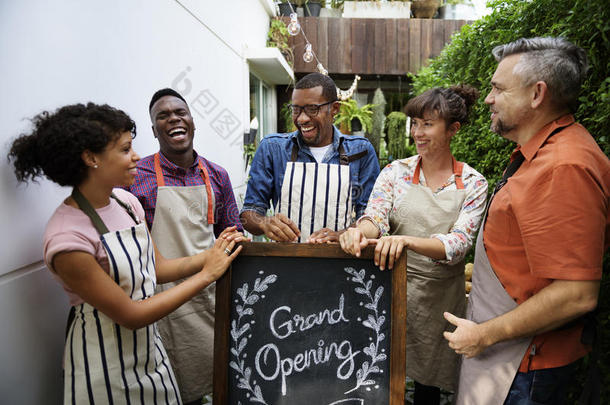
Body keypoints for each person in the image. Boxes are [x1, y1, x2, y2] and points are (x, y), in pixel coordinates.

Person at [8, 103, 244, 404]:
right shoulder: (67, 238)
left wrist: (214, 254)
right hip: (104, 365)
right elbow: (132, 315)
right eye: (124, 150)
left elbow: (158, 268)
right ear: (91, 158)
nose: (136, 157)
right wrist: (207, 274)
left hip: (152, 356)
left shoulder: (125, 202)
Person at [443, 37, 610, 405]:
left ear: (537, 94)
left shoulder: (564, 166)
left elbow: (576, 294)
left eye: (498, 89)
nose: (488, 99)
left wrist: (484, 334)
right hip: (512, 360)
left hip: (523, 370)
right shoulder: (539, 153)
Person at [340, 85, 488, 405]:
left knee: (426, 388)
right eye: (415, 123)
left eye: (428, 124)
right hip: (390, 287)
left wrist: (405, 240)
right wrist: (359, 232)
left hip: (439, 299)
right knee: (377, 375)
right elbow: (376, 217)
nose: (417, 133)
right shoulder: (396, 172)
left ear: (453, 129)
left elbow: (458, 244)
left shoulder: (473, 184)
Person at [125, 88, 242, 404]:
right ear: (154, 130)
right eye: (163, 116)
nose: (174, 119)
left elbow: (233, 233)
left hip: (209, 297)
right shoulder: (136, 179)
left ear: (192, 121)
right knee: (171, 388)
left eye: (180, 112)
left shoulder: (217, 175)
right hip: (159, 299)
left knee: (222, 381)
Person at [240, 72, 380, 243]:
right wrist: (264, 223)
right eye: (296, 110)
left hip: (341, 260)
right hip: (285, 261)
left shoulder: (361, 151)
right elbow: (249, 212)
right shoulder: (272, 148)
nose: (302, 119)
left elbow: (370, 215)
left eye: (312, 109)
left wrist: (341, 235)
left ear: (334, 109)